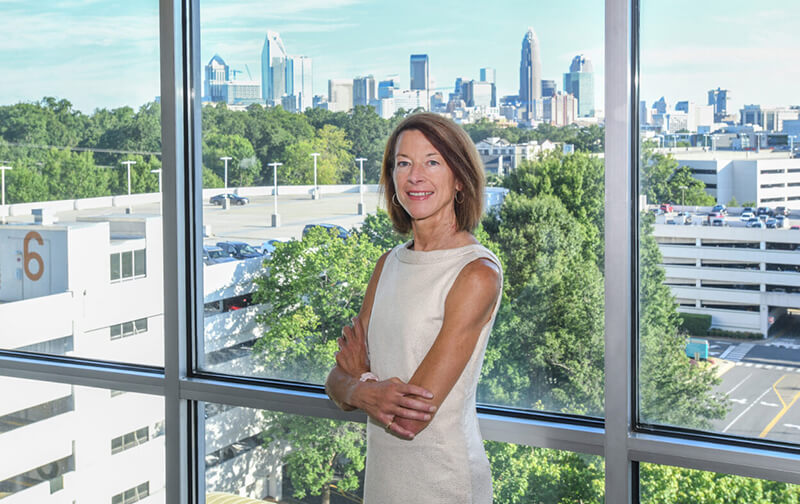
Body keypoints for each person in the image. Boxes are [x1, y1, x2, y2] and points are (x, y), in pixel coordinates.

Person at [325, 112, 503, 503]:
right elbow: (334, 380)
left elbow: (408, 419)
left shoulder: (476, 274)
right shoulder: (388, 264)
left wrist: (358, 384)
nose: (414, 176)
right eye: (403, 163)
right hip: (384, 483)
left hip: (444, 482)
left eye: (432, 162)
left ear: (460, 178)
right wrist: (358, 386)